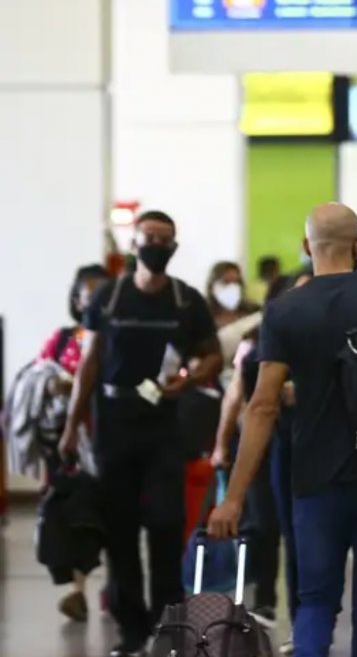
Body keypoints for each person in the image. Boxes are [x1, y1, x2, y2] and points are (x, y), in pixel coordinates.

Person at [207, 203, 357, 657]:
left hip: (314, 476)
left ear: (307, 247)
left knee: (316, 603)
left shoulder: (285, 308)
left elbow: (263, 405)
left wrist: (234, 496)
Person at [59, 210, 223, 657]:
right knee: (120, 531)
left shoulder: (185, 301)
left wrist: (189, 377)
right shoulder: (108, 299)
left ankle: (168, 627)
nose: (156, 244)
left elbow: (212, 356)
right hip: (113, 426)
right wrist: (73, 427)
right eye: (149, 236)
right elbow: (88, 365)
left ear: (173, 246)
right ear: (134, 243)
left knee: (168, 527)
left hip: (165, 427)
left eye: (164, 239)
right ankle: (132, 632)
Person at [212, 270, 312, 641]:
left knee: (298, 533)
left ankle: (305, 617)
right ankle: (266, 600)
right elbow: (238, 397)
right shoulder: (258, 343)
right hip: (262, 446)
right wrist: (223, 445)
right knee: (267, 526)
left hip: (301, 445)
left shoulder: (329, 340)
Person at [34, 264, 111, 623]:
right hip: (68, 444)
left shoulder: (118, 337)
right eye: (87, 294)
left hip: (109, 438)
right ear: (76, 299)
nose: (93, 301)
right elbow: (38, 376)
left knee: (111, 515)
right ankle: (78, 590)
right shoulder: (62, 339)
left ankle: (115, 586)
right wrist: (56, 386)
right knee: (75, 515)